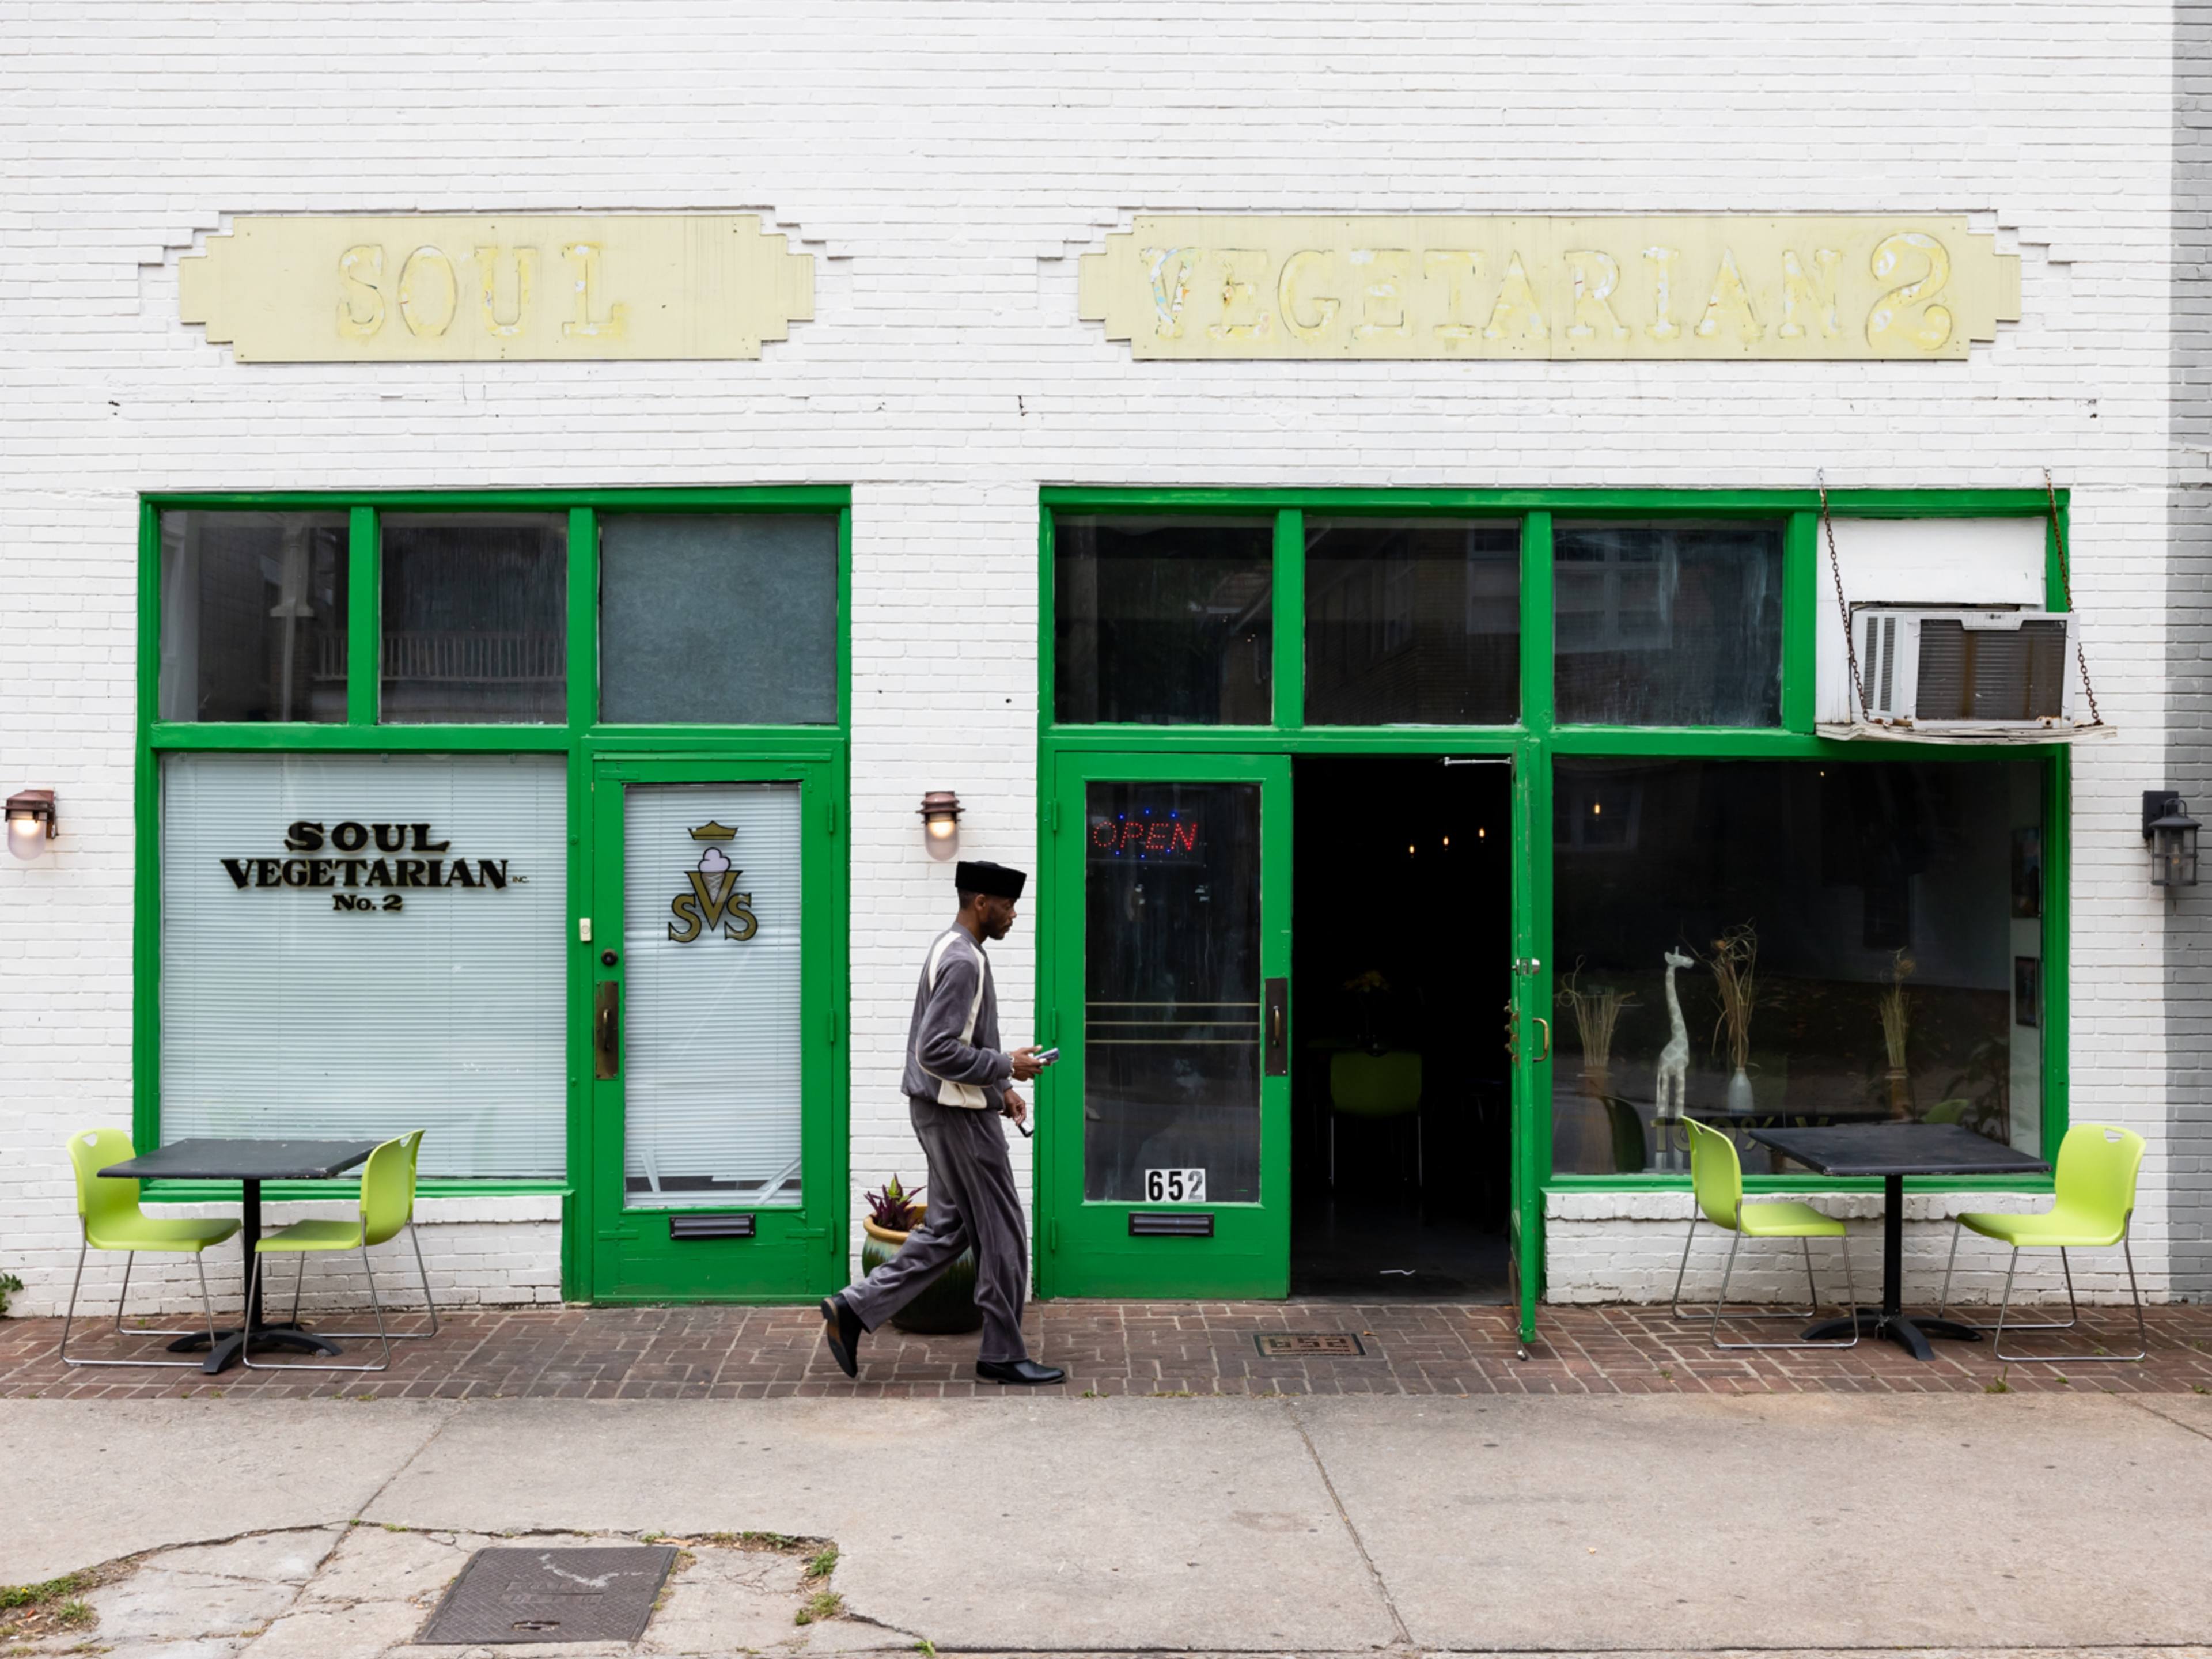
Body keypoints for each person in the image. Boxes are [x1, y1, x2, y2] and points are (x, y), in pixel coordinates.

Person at [819, 860, 1063, 1385]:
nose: (1014, 915)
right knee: (1004, 1232)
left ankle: (853, 1308)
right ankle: (1001, 1352)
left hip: (945, 1110)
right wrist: (1006, 1065)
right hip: (956, 1119)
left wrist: (1002, 1091)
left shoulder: (950, 948)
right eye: (1007, 905)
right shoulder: (964, 962)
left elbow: (961, 1044)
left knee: (950, 1230)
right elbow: (936, 1050)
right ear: (981, 903)